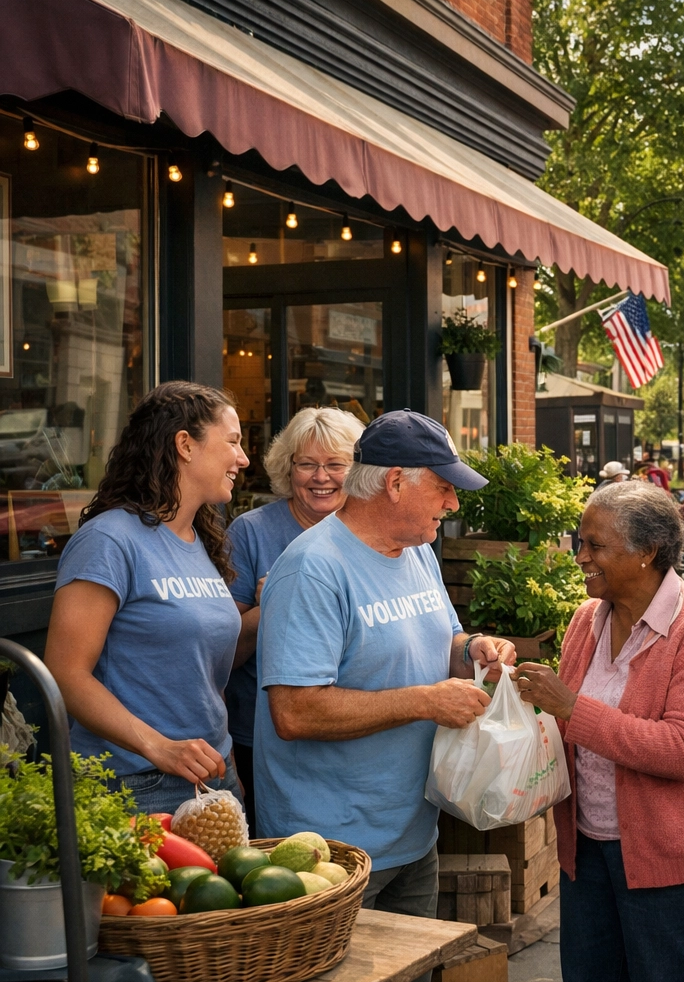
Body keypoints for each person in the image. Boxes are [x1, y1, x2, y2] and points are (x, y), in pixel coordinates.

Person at [255, 410, 512, 950]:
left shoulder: (416, 551)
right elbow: (295, 712)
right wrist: (424, 701)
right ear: (395, 482)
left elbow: (446, 641)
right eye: (443, 487)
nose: (453, 504)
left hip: (413, 836)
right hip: (333, 854)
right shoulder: (312, 569)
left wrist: (474, 650)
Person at [510, 480, 684, 982]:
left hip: (675, 857)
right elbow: (564, 725)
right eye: (580, 542)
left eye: (595, 545)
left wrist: (573, 708)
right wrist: (509, 694)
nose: (580, 557)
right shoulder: (586, 620)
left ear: (648, 552)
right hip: (589, 849)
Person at [46, 382, 249, 813]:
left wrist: (225, 759)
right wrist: (158, 747)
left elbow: (197, 675)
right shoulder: (108, 540)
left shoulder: (201, 541)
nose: (243, 459)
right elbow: (66, 673)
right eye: (232, 442)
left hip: (210, 777)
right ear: (185, 445)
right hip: (134, 783)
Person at [225, 406, 364, 824]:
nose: (321, 477)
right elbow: (224, 652)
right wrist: (271, 607)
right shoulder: (251, 532)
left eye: (335, 464)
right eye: (307, 464)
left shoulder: (370, 532)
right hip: (263, 735)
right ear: (289, 469)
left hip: (354, 728)